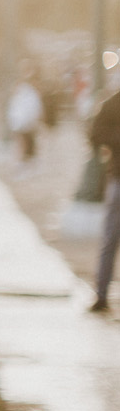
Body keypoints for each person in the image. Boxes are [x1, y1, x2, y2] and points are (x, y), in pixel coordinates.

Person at [87, 87, 120, 311]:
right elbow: (95, 134)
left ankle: (101, 294)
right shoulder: (114, 103)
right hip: (118, 177)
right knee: (110, 238)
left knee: (109, 237)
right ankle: (101, 294)